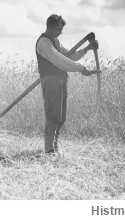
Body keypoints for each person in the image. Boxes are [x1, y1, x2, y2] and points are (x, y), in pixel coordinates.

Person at [35, 14, 99, 155]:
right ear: (50, 27)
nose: (61, 32)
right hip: (51, 80)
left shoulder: (55, 41)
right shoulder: (44, 43)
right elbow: (59, 60)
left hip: (61, 79)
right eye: (58, 29)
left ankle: (54, 145)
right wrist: (81, 68)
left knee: (61, 117)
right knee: (53, 115)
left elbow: (69, 56)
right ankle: (49, 149)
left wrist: (87, 48)